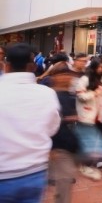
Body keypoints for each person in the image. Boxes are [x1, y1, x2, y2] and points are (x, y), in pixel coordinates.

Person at [0, 43, 61, 202]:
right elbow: (53, 128)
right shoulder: (47, 93)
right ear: (33, 67)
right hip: (35, 172)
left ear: (6, 65)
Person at [47, 64, 80, 203]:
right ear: (54, 77)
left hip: (69, 145)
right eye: (62, 74)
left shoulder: (71, 95)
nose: (66, 78)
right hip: (57, 146)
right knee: (63, 182)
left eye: (68, 74)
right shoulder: (49, 96)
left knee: (64, 183)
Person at [75, 59, 102, 180]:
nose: (101, 69)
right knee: (89, 140)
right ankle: (85, 164)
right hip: (87, 114)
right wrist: (94, 93)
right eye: (99, 67)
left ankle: (95, 161)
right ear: (94, 67)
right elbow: (80, 96)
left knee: (98, 139)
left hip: (99, 114)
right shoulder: (85, 79)